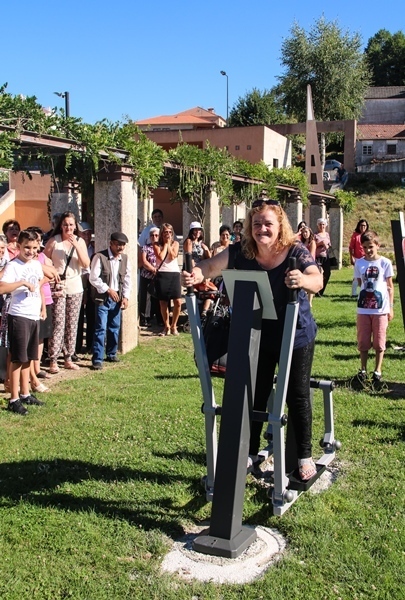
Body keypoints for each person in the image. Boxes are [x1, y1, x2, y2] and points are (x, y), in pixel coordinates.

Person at [182, 198, 323, 480]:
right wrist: (196, 273)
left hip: (295, 334)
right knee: (255, 393)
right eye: (256, 224)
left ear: (279, 225)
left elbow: (316, 279)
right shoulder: (242, 250)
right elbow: (210, 266)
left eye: (268, 224)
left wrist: (302, 280)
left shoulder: (295, 250)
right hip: (258, 332)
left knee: (296, 394)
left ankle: (305, 455)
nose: (262, 229)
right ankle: (251, 451)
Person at [0, 230, 46, 415]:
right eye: (27, 247)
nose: (31, 251)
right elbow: (2, 287)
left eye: (34, 248)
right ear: (19, 246)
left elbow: (40, 284)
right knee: (18, 358)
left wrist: (42, 307)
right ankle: (14, 398)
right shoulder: (13, 266)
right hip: (19, 315)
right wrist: (21, 283)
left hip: (33, 315)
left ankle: (26, 393)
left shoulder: (36, 264)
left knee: (29, 357)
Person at [44, 212, 90, 373]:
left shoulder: (80, 241)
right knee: (58, 323)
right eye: (65, 225)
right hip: (58, 286)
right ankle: (53, 358)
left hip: (75, 286)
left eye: (71, 224)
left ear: (75, 226)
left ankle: (68, 357)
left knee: (72, 323)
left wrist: (76, 245)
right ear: (61, 226)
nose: (68, 228)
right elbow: (43, 261)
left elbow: (86, 264)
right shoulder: (54, 241)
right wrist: (51, 274)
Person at [353, 230, 394, 390]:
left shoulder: (385, 263)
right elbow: (360, 283)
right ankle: (363, 370)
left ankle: (377, 371)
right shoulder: (359, 263)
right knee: (363, 340)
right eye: (364, 247)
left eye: (370, 246)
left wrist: (390, 307)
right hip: (364, 310)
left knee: (379, 340)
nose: (368, 250)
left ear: (377, 245)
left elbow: (390, 287)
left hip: (380, 310)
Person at [89, 232, 132, 370]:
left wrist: (126, 297)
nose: (121, 247)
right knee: (101, 328)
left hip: (117, 298)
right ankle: (97, 358)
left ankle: (111, 353)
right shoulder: (99, 257)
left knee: (114, 326)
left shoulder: (125, 259)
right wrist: (108, 290)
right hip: (103, 297)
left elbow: (127, 279)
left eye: (123, 245)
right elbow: (93, 278)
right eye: (118, 244)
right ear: (111, 243)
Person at [153, 223, 182, 337]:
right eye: (165, 232)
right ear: (161, 233)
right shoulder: (156, 244)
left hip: (174, 273)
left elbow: (173, 256)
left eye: (170, 232)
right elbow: (160, 256)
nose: (168, 234)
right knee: (163, 302)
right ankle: (166, 326)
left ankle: (174, 325)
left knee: (178, 301)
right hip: (162, 273)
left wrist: (169, 245)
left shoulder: (176, 243)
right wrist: (165, 244)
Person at [183, 222, 212, 315]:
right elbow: (189, 257)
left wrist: (206, 249)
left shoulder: (201, 243)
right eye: (195, 230)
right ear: (191, 231)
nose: (197, 232)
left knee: (206, 289)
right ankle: (191, 310)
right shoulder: (189, 241)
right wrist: (193, 270)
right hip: (193, 269)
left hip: (202, 269)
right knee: (195, 290)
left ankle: (203, 310)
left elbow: (209, 258)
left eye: (199, 230)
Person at [76, 222, 95, 354]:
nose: (87, 236)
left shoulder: (94, 247)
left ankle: (90, 344)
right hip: (79, 281)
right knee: (78, 316)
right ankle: (76, 346)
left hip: (92, 283)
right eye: (84, 233)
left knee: (92, 315)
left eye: (89, 233)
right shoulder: (76, 247)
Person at [139, 226, 161, 327]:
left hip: (159, 276)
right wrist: (153, 269)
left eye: (156, 235)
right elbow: (144, 261)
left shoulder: (162, 247)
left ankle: (160, 319)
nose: (154, 237)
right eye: (152, 235)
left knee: (159, 297)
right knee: (146, 298)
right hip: (147, 275)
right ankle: (145, 318)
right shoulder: (145, 247)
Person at [349, 219, 369, 298]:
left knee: (366, 276)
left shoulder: (368, 235)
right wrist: (351, 257)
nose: (363, 227)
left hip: (366, 258)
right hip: (357, 258)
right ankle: (354, 293)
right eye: (361, 225)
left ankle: (365, 291)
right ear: (358, 226)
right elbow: (351, 247)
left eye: (364, 226)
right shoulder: (355, 235)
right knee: (356, 276)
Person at [299, 226, 317, 308]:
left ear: (310, 232)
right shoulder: (301, 242)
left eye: (306, 232)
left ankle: (309, 301)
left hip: (310, 264)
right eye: (303, 232)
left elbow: (311, 255)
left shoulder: (312, 242)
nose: (305, 234)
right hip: (302, 264)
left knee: (311, 282)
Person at [314, 218, 331, 296]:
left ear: (325, 225)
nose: (322, 226)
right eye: (320, 224)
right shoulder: (315, 235)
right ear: (318, 225)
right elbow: (312, 245)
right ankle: (316, 290)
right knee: (318, 274)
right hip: (317, 257)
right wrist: (320, 243)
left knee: (327, 273)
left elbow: (329, 244)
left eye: (323, 224)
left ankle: (321, 291)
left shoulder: (327, 234)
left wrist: (327, 246)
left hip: (326, 257)